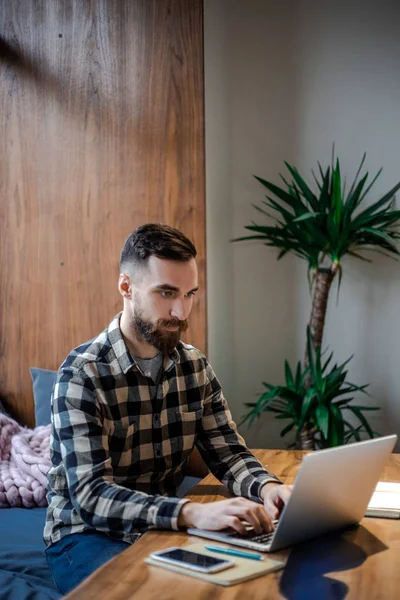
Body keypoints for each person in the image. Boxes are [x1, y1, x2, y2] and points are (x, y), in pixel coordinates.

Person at [44, 223, 292, 594]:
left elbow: (227, 453)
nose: (181, 310)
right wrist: (192, 513)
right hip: (86, 536)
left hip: (164, 525)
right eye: (166, 292)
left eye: (190, 293)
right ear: (126, 287)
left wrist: (268, 487)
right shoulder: (81, 375)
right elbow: (92, 497)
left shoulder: (194, 366)